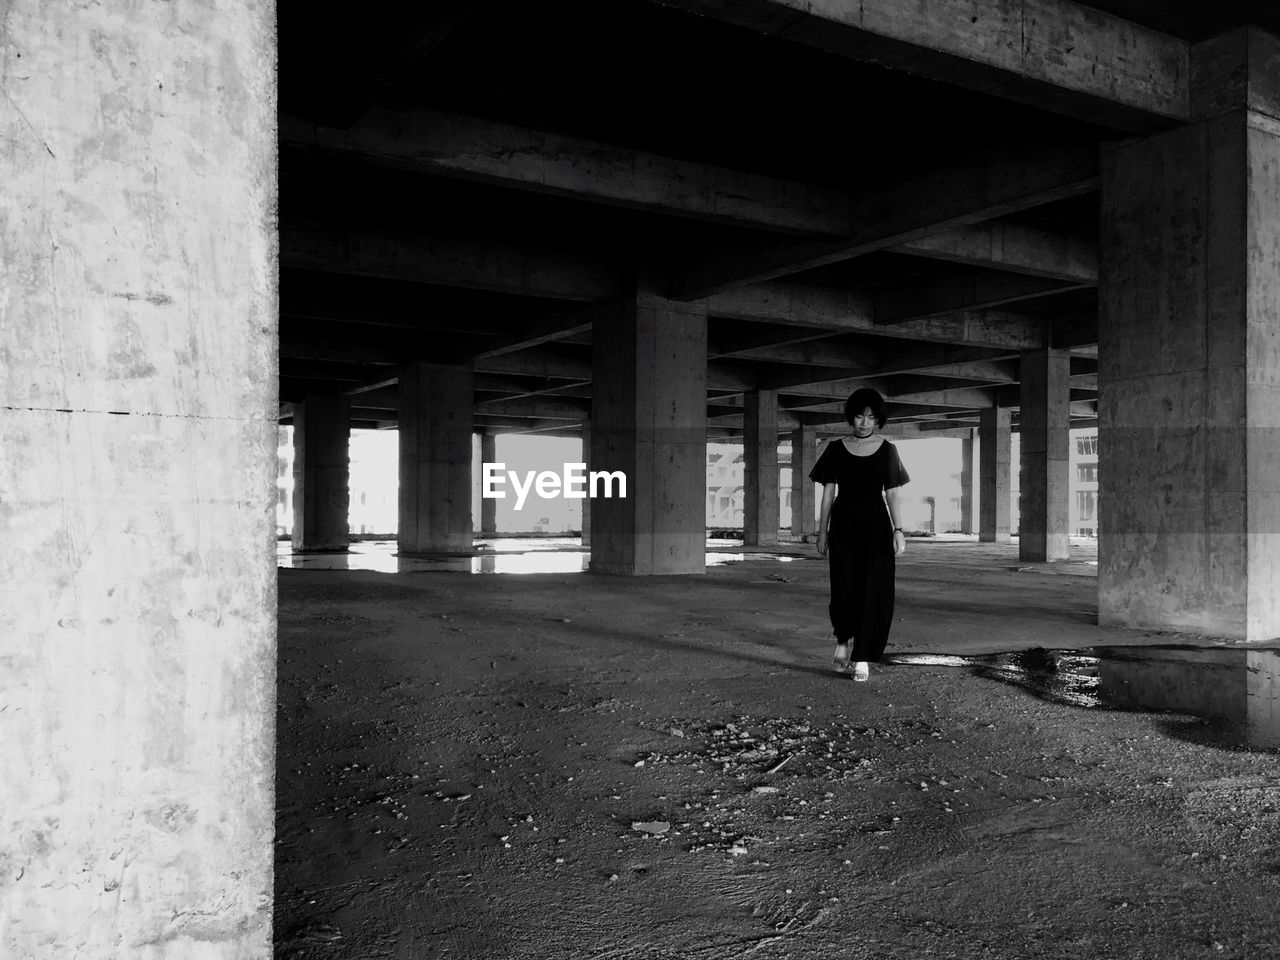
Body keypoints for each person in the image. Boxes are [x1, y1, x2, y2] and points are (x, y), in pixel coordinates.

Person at [808, 388, 909, 682]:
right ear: (850, 417)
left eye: (871, 417)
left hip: (877, 524)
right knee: (844, 585)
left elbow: (893, 493)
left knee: (874, 588)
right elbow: (827, 495)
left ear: (878, 419)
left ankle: (862, 656)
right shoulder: (835, 449)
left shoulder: (889, 450)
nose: (865, 422)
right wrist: (822, 531)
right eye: (860, 415)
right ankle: (843, 639)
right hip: (843, 523)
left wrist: (899, 530)